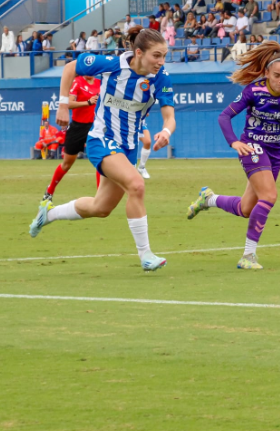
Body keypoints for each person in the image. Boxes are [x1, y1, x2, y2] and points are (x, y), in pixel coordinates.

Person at [28, 27, 176, 273]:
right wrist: (63, 106)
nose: (161, 62)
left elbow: (170, 117)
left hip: (128, 149)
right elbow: (69, 68)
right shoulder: (110, 64)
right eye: (156, 56)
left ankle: (49, 214)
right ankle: (145, 255)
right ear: (138, 52)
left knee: (101, 208)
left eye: (164, 56)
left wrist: (166, 132)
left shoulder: (161, 78)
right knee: (137, 185)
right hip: (101, 140)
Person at [185, 42, 280, 270]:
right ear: (266, 73)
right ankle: (248, 256)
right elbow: (224, 117)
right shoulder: (254, 91)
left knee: (246, 209)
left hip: (275, 153)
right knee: (270, 196)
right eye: (277, 76)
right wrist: (235, 142)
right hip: (252, 148)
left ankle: (208, 199)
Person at [42, 72, 102, 200]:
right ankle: (50, 190)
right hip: (78, 128)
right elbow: (68, 103)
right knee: (67, 163)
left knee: (100, 159)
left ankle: (100, 196)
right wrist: (87, 102)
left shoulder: (99, 83)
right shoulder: (78, 82)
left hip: (95, 126)